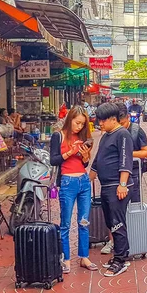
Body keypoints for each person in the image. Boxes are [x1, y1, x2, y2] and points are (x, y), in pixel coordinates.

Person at [89, 102, 134, 277]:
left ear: (113, 119)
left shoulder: (122, 134)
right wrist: (90, 178)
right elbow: (98, 159)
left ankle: (120, 260)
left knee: (117, 223)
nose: (100, 123)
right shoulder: (106, 135)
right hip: (106, 187)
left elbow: (125, 159)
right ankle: (121, 253)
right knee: (110, 222)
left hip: (117, 187)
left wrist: (122, 184)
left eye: (102, 120)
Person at [101, 102, 147, 256]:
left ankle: (135, 241)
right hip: (114, 177)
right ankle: (113, 241)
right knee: (114, 212)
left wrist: (127, 153)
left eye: (122, 123)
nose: (120, 126)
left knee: (132, 207)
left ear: (127, 118)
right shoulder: (109, 134)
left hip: (133, 175)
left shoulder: (136, 131)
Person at [50, 106, 95, 274]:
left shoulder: (82, 137)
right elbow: (53, 160)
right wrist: (70, 152)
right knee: (66, 223)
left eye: (82, 124)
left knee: (84, 221)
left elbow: (84, 164)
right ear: (70, 120)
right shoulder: (58, 135)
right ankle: (66, 258)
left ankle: (84, 256)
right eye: (77, 123)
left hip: (83, 181)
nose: (79, 127)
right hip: (68, 182)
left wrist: (85, 156)